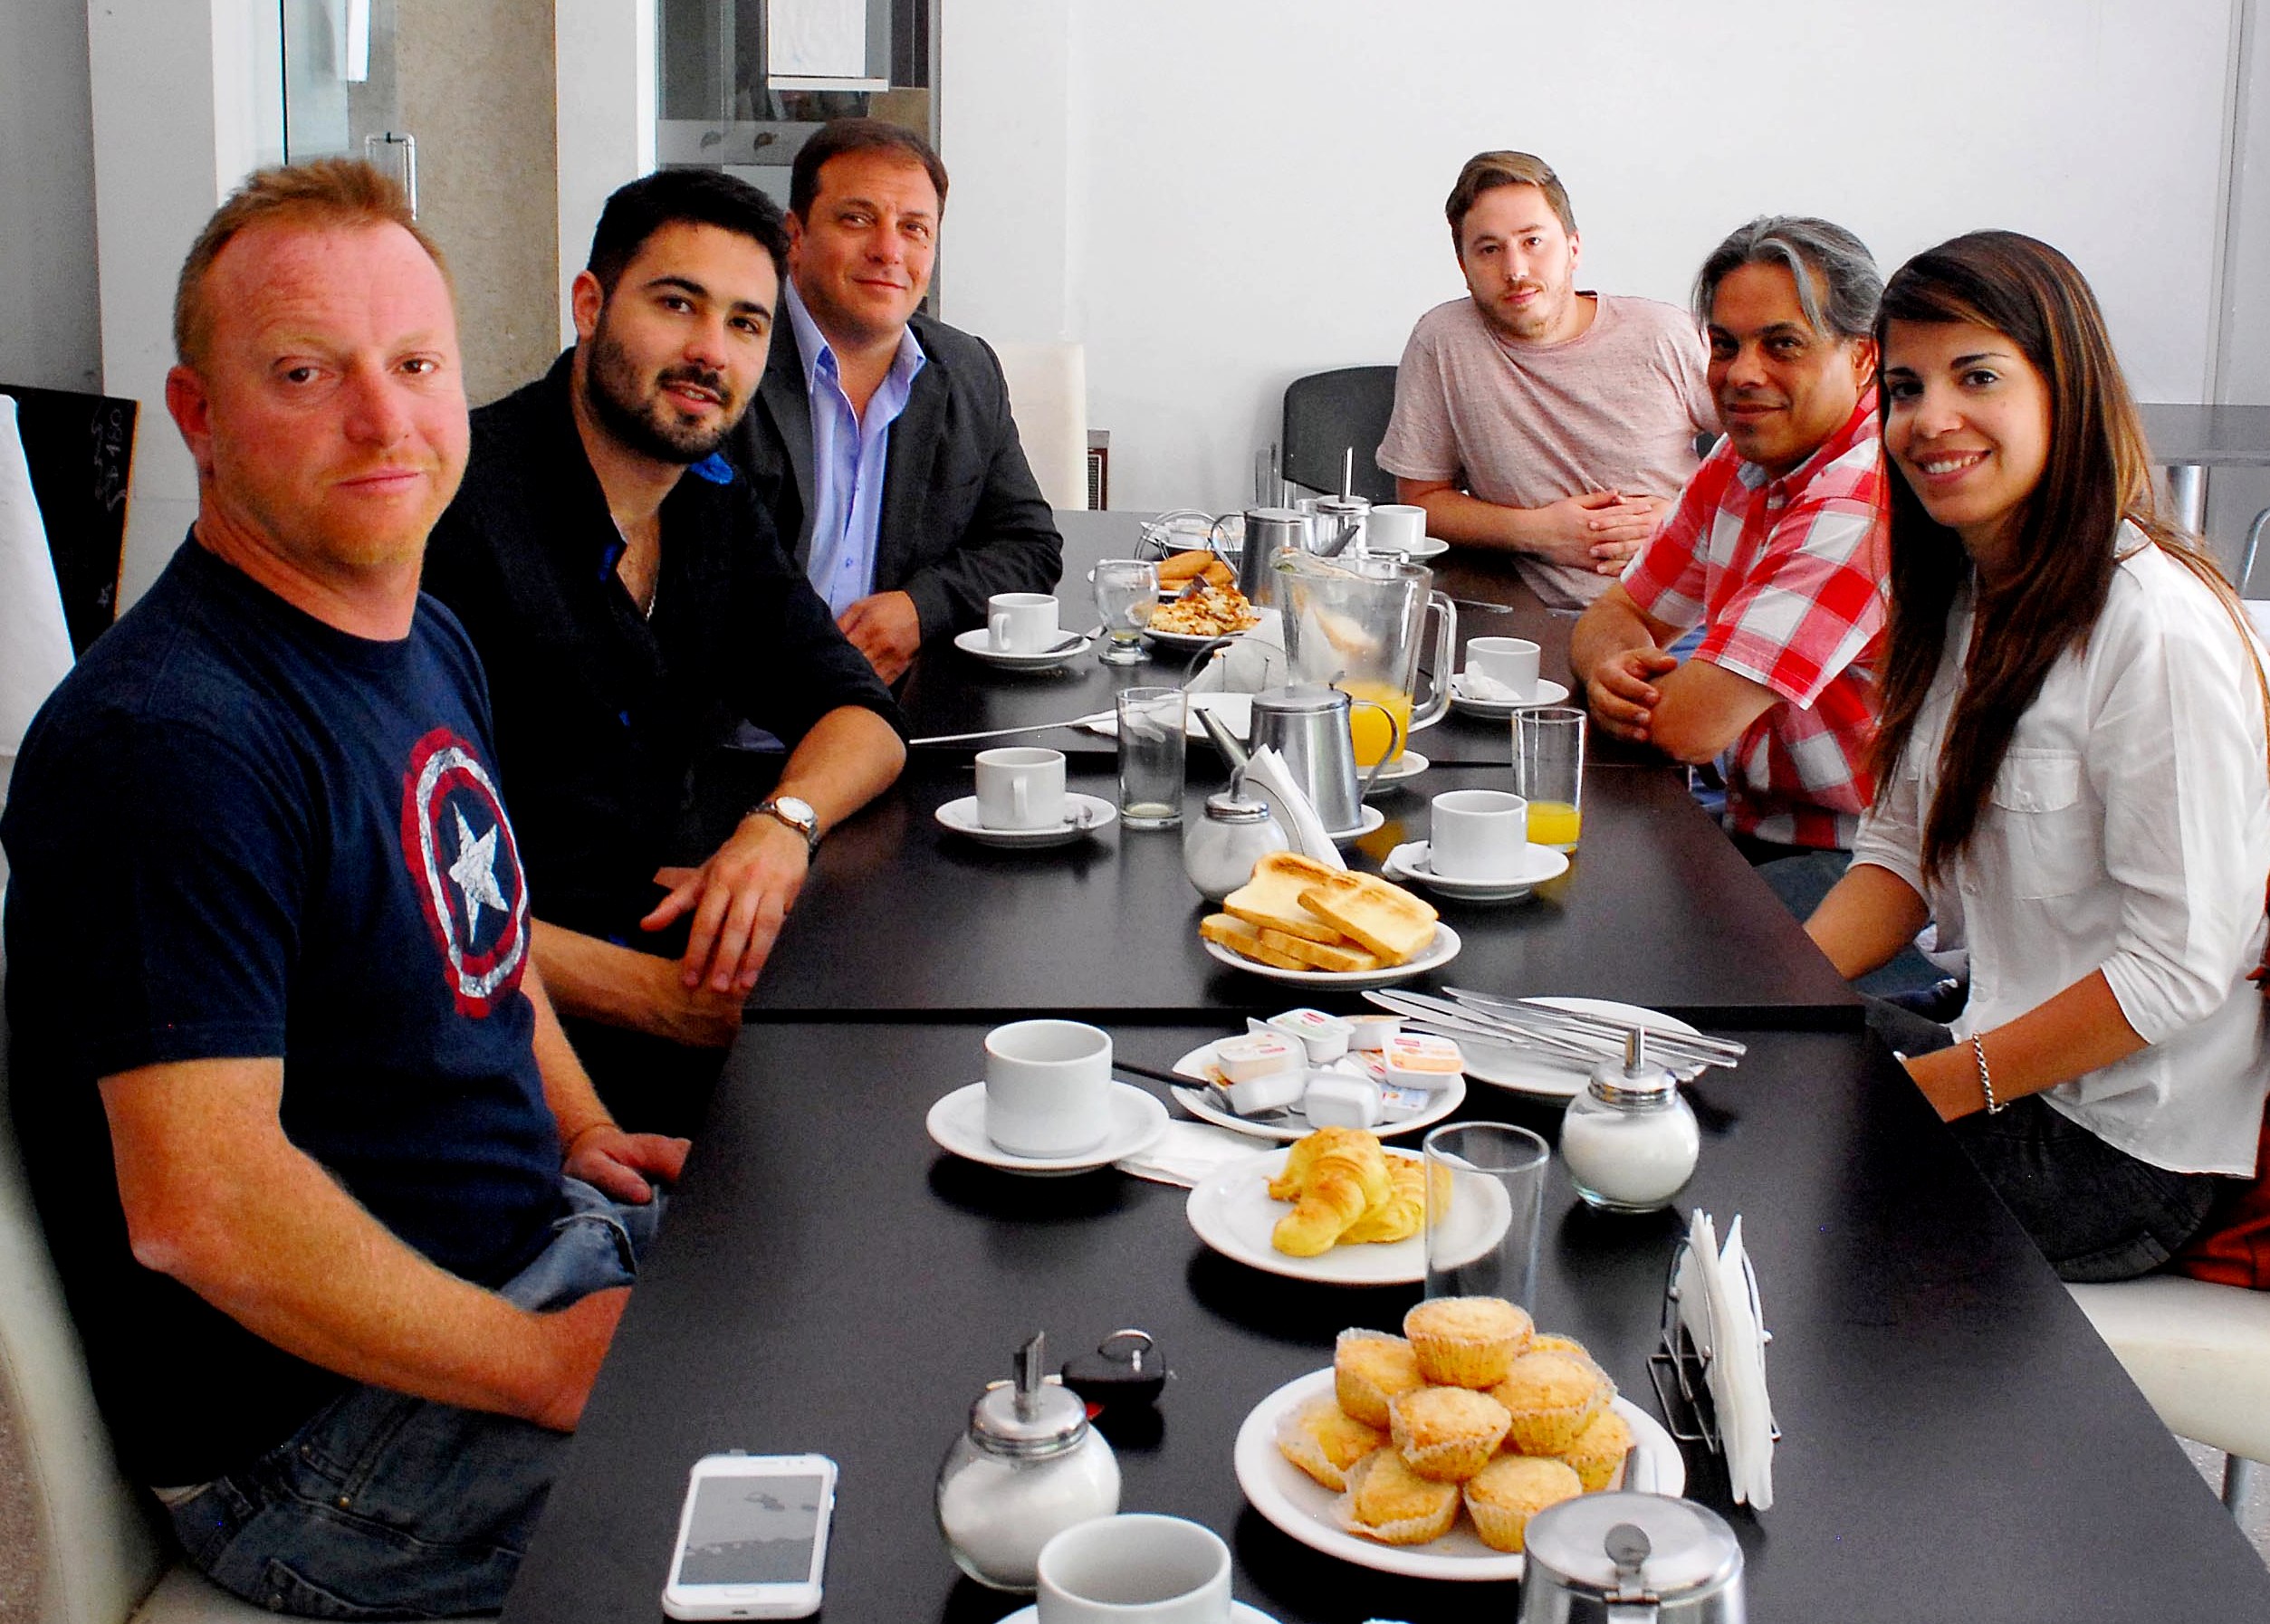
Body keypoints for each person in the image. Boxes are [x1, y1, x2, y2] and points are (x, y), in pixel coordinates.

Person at [1, 159, 687, 1615]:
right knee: (846, 1502)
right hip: (320, 1437)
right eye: (306, 373)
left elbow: (479, 932)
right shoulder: (165, 744)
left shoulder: (423, 635)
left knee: (893, 1310)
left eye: (415, 364)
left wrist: (581, 1126)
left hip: (517, 1261)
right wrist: (543, 1362)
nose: (383, 419)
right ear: (199, 416)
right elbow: (202, 1206)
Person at [1805, 230, 2270, 1282]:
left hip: (2120, 1146)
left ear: (2067, 391)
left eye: (1976, 377)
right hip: (2000, 1043)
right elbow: (1900, 854)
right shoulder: (1967, 591)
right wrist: (1759, 995)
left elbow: (2176, 968)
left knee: (1759, 1157)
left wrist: (1935, 1089)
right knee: (1713, 1066)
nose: (1929, 420)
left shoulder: (2152, 628)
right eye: (1905, 388)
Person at [424, 168, 905, 1138]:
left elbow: (861, 717)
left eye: (744, 323)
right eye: (677, 304)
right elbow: (407, 892)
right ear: (590, 306)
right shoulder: (456, 517)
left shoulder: (709, 497)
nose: (709, 352)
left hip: (672, 960)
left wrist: (778, 828)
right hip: (498, 1042)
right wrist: (668, 1006)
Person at [1571, 217, 1890, 878]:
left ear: (1863, 359)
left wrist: (1628, 690)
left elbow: (1687, 728)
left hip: (1864, 861)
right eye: (1724, 345)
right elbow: (1614, 613)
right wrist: (1611, 672)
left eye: (1782, 344)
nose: (1742, 374)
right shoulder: (1743, 454)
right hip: (1750, 820)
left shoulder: (1864, 495)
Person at [727, 118, 1063, 683]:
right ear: (795, 237)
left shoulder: (967, 371)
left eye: (914, 228)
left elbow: (1028, 546)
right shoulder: (729, 359)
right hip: (734, 720)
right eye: (857, 219)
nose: (888, 251)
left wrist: (920, 609)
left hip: (904, 711)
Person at [1374, 150, 1716, 609]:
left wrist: (1683, 522)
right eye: (1489, 249)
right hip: (1535, 616)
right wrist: (1537, 533)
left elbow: (1781, 468)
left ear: (1574, 248)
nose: (1515, 270)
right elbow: (1420, 502)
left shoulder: (1665, 334)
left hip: (1688, 613)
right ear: (1463, 266)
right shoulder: (1443, 341)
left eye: (1533, 241)